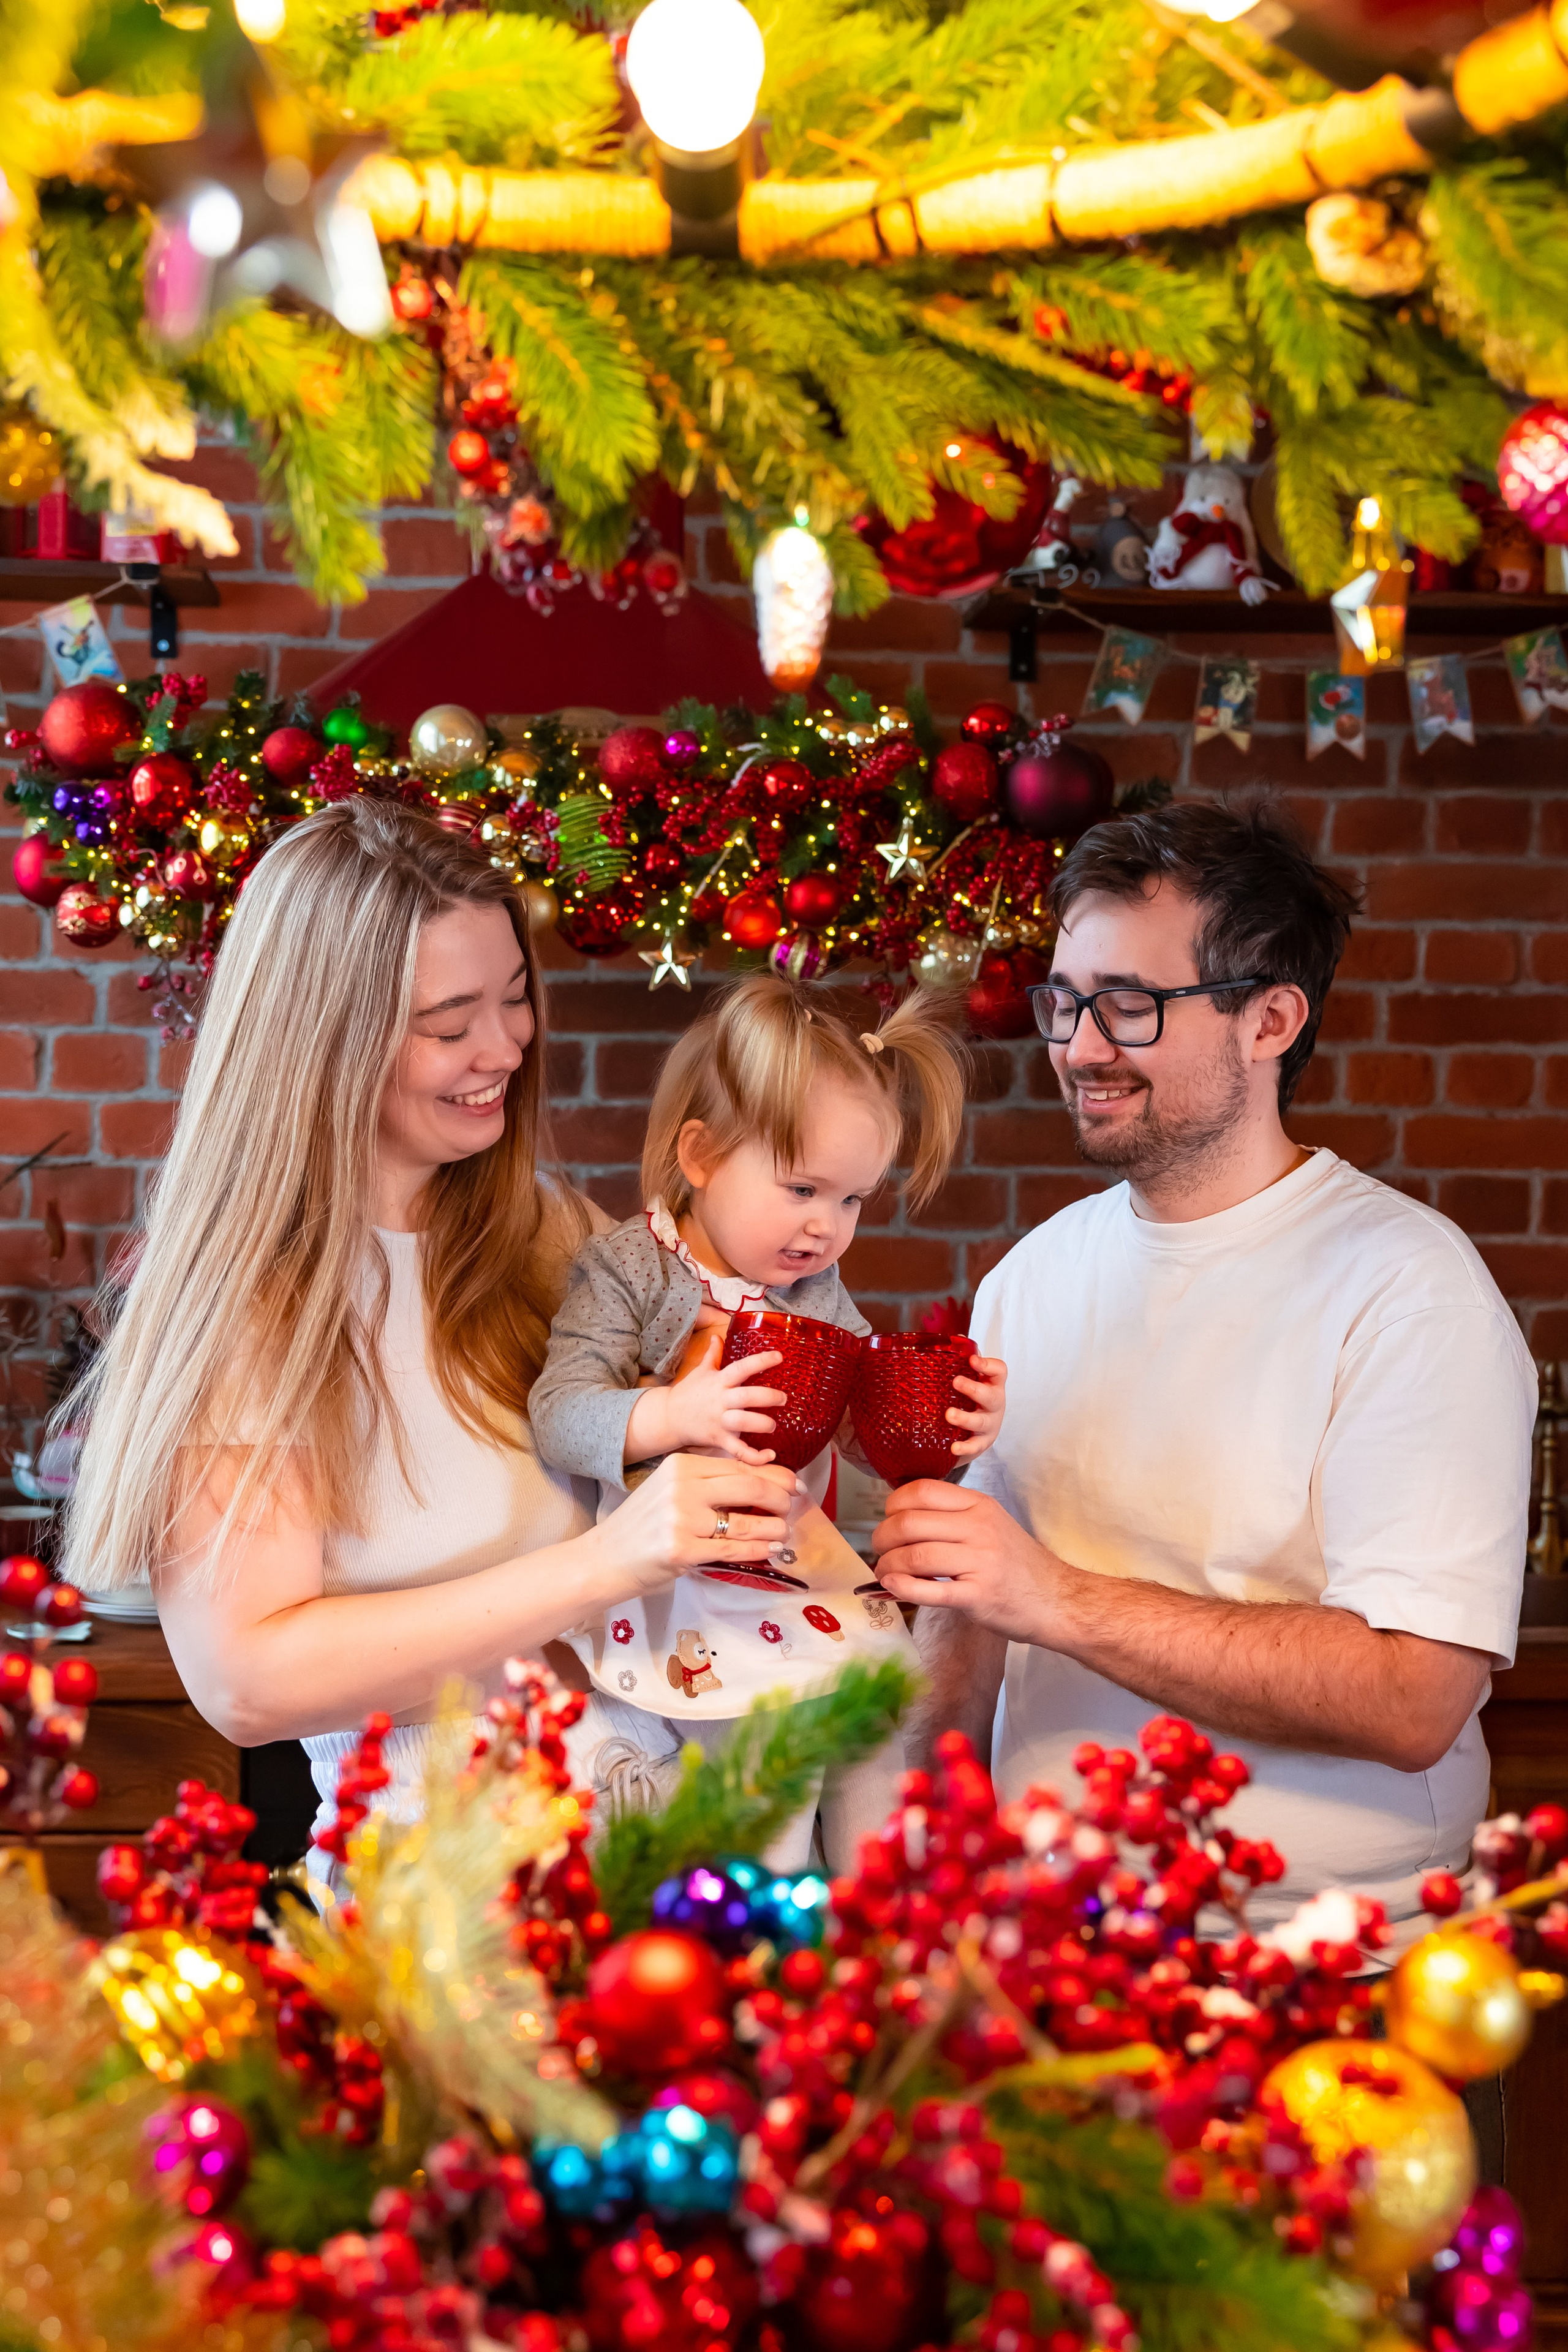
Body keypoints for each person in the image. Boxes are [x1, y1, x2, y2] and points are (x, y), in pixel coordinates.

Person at [61, 802, 797, 1893]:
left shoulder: (551, 1233)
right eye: (450, 1024)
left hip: (661, 1846)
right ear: (325, 1041)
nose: (503, 1048)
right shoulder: (251, 1309)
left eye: (513, 999)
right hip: (437, 1892)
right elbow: (250, 1679)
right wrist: (606, 1564)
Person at [874, 798, 1534, 1941]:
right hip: (1047, 1942)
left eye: (1130, 1006)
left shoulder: (1409, 1290)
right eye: (1066, 1002)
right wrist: (917, 1854)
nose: (1080, 1048)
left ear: (1271, 1017)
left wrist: (1058, 1597)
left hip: (1314, 1973)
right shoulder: (1032, 1276)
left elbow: (1415, 1695)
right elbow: (974, 1616)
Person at [529, 973, 1007, 1866]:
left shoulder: (816, 1291)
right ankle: (772, 1941)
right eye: (802, 1188)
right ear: (702, 1155)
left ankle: (878, 1921)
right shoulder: (630, 1267)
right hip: (690, 1582)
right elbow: (558, 1415)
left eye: (854, 1200)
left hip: (800, 1565)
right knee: (768, 1780)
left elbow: (864, 1437)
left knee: (870, 1729)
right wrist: (674, 1411)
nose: (827, 1227)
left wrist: (941, 1431)